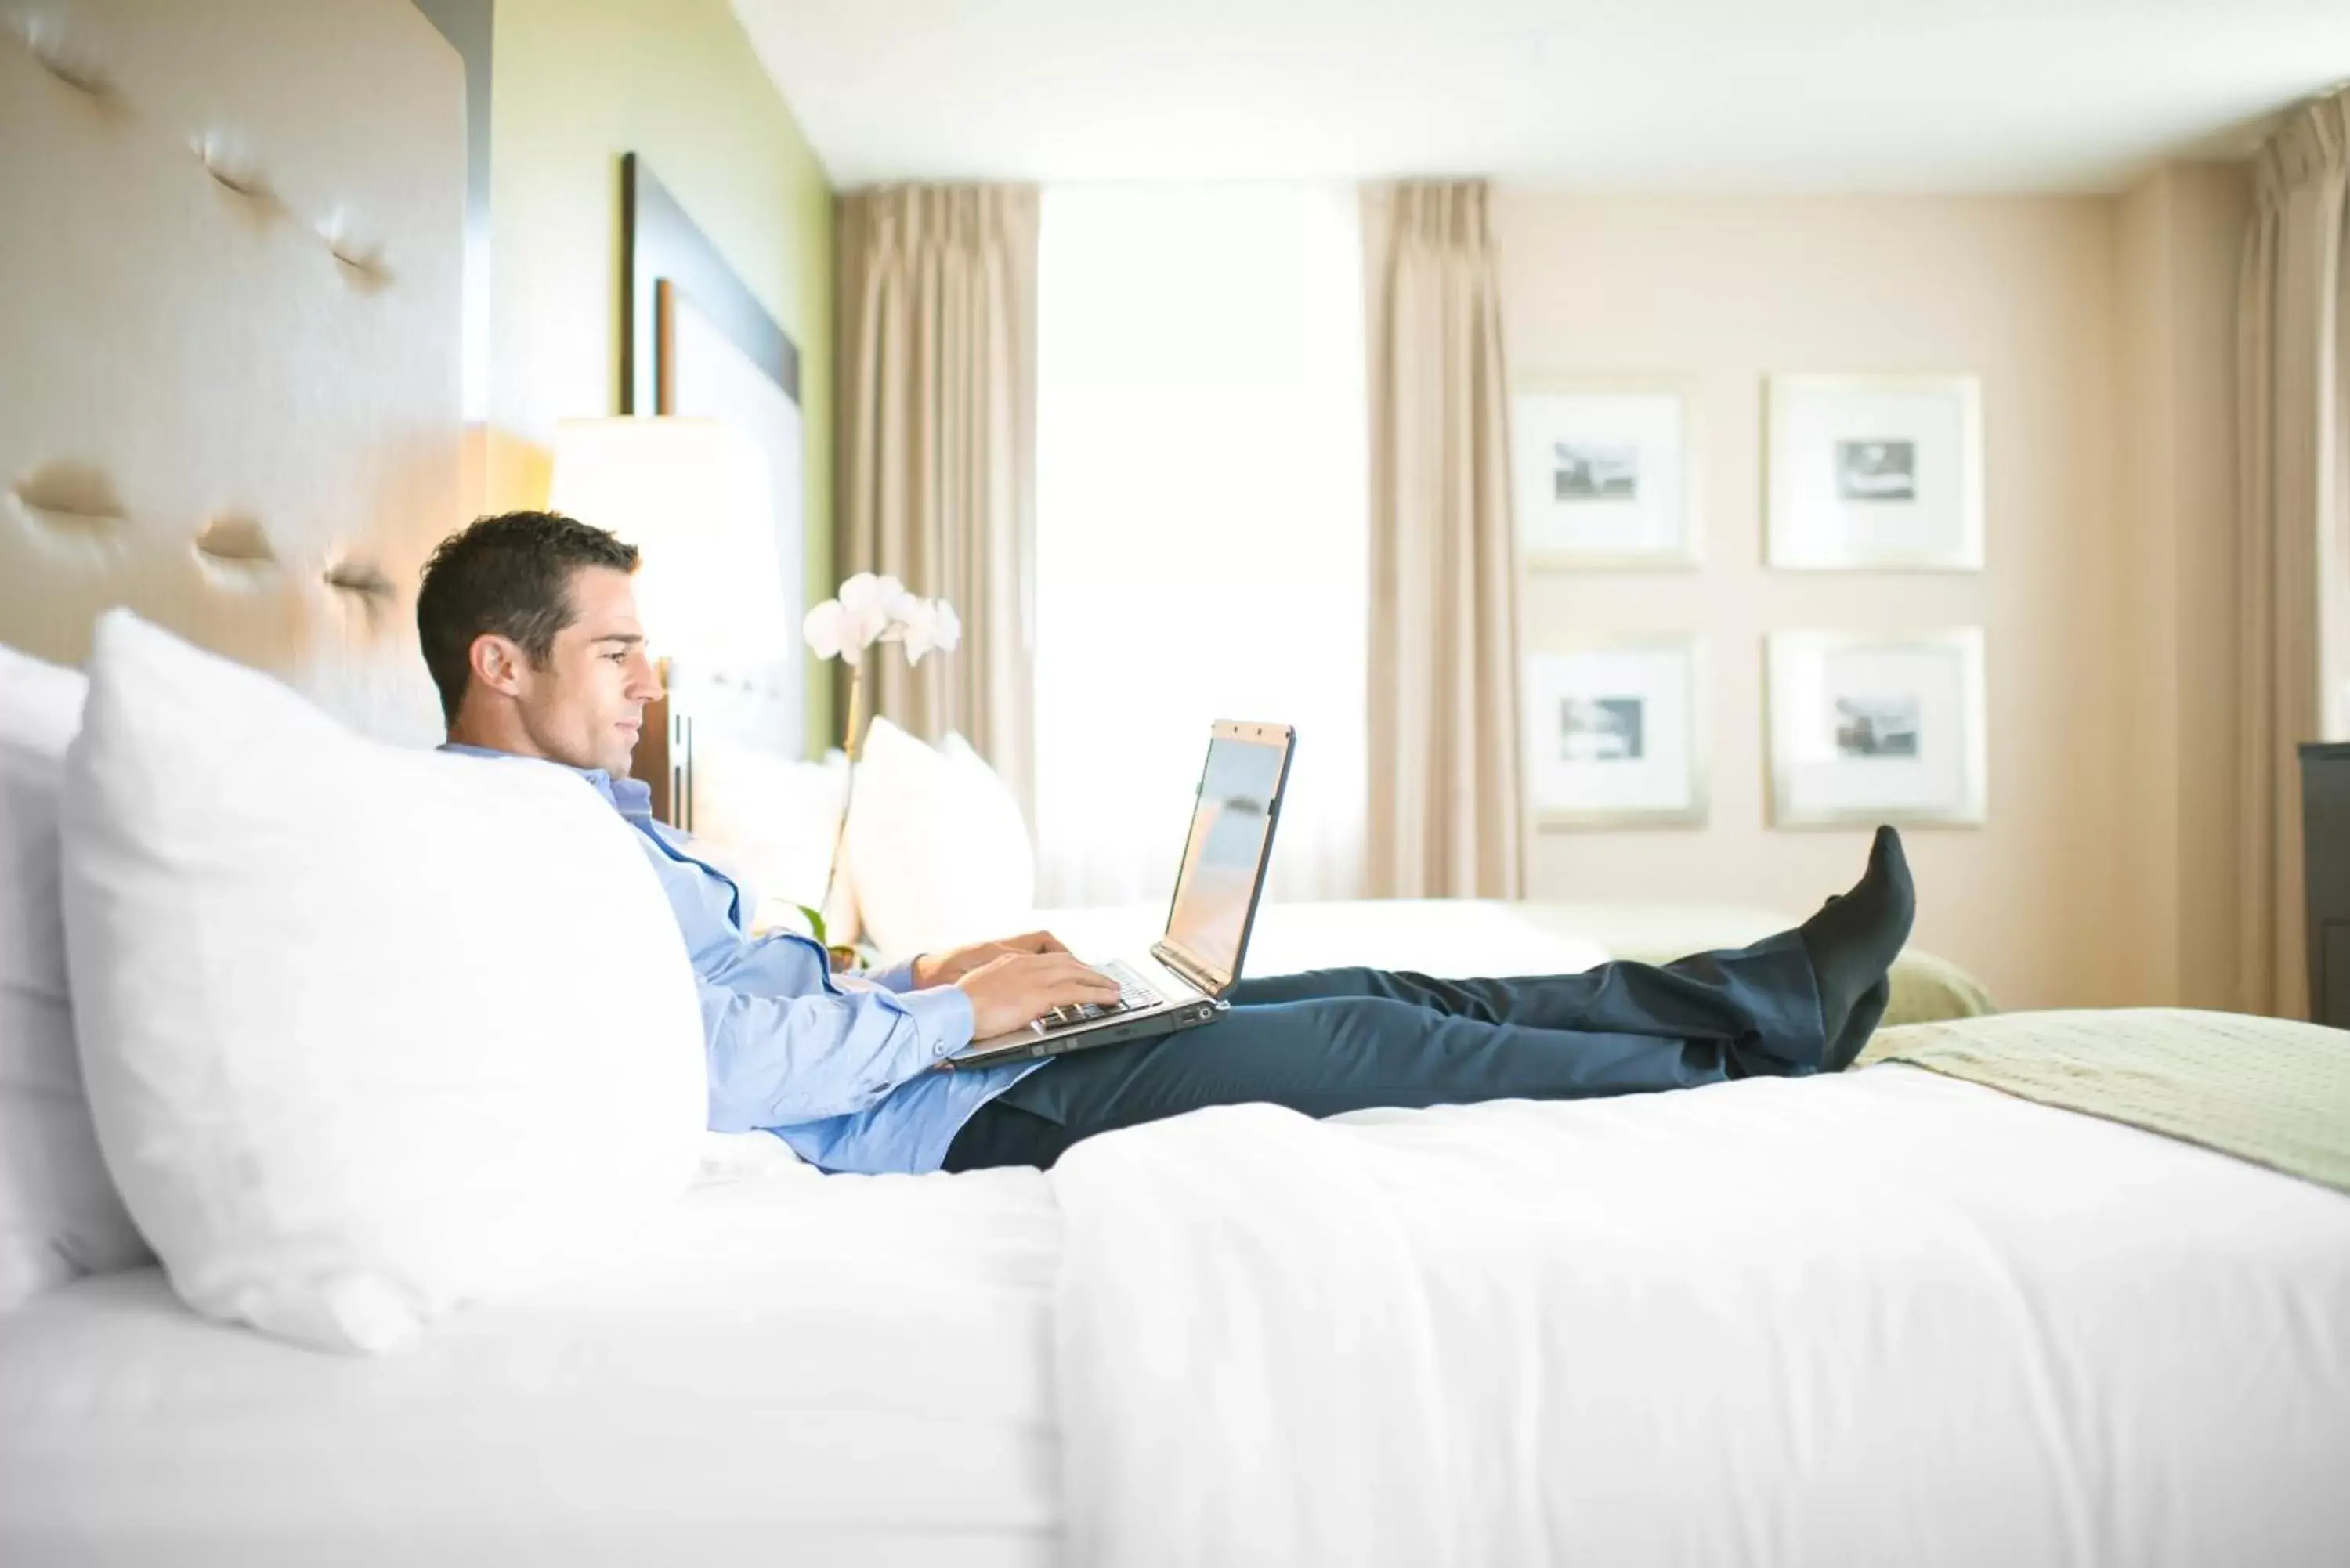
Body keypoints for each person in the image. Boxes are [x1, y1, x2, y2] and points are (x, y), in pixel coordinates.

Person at [415, 511, 1915, 1176]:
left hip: (941, 1050)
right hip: (937, 1121)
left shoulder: (590, 815)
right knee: (1372, 1042)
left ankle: (1764, 991)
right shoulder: (503, 842)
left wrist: (943, 962)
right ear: (499, 662)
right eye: (615, 653)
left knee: (1387, 983)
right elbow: (713, 1064)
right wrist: (951, 1012)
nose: (648, 685)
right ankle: (1755, 1049)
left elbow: (762, 981)